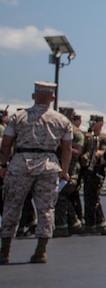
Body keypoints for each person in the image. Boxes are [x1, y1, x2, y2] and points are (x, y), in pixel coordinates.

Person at [0, 81, 73, 264]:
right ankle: (41, 251)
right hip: (48, 165)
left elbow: (6, 144)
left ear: (33, 96)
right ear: (53, 98)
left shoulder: (17, 117)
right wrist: (64, 170)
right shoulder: (62, 121)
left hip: (21, 164)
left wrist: (3, 165)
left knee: (11, 206)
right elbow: (67, 149)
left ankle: (5, 251)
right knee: (46, 209)